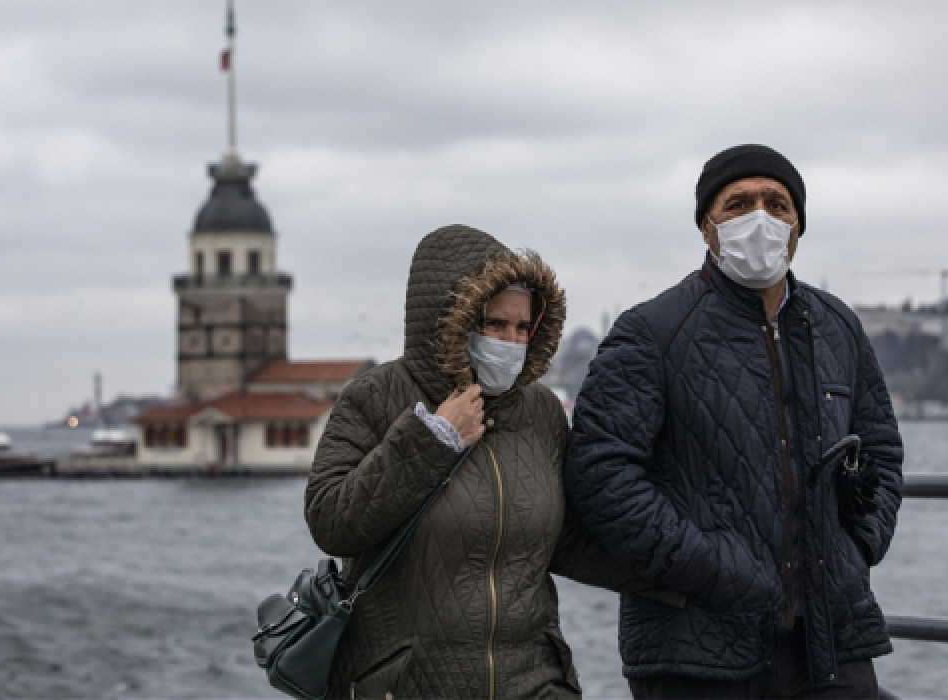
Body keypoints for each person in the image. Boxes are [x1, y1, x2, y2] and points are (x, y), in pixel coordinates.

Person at [565, 144, 904, 699]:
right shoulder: (651, 332)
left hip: (832, 641)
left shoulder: (838, 326)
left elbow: (882, 452)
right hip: (696, 647)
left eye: (777, 203)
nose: (760, 218)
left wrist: (857, 547)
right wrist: (711, 568)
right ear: (706, 226)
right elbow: (599, 476)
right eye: (739, 203)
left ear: (798, 226)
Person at [305, 224, 679, 699]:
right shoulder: (374, 398)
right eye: (495, 325)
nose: (510, 341)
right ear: (450, 320)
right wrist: (433, 439)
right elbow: (330, 520)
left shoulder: (540, 412)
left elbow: (567, 539)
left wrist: (687, 572)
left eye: (523, 328)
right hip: (407, 685)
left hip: (534, 682)